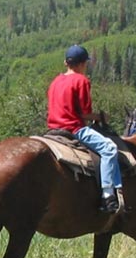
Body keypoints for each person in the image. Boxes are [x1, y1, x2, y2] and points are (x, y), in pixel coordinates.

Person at [47, 44, 124, 214]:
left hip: (52, 129)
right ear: (82, 64)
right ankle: (108, 195)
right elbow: (85, 114)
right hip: (74, 128)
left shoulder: (55, 81)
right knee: (109, 149)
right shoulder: (81, 81)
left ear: (66, 63)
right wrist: (101, 117)